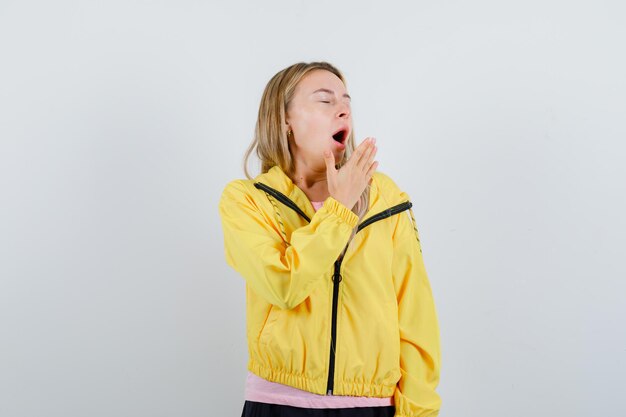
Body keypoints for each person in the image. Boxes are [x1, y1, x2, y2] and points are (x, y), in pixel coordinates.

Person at [218, 61, 442, 417]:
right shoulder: (247, 199)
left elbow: (415, 315)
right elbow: (284, 285)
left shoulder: (387, 197)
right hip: (279, 404)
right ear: (284, 119)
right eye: (324, 101)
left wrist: (418, 412)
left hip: (371, 406)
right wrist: (339, 208)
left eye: (346, 101)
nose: (343, 109)